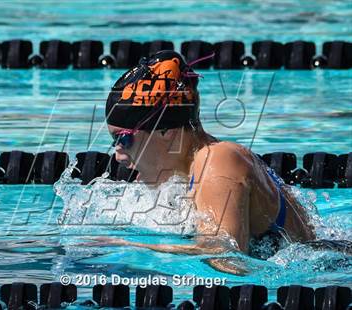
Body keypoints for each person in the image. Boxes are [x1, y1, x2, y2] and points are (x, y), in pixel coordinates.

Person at [84, 50, 319, 275]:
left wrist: (127, 246)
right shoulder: (194, 171)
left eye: (123, 139)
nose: (118, 155)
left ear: (166, 131)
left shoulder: (218, 161)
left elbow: (228, 260)